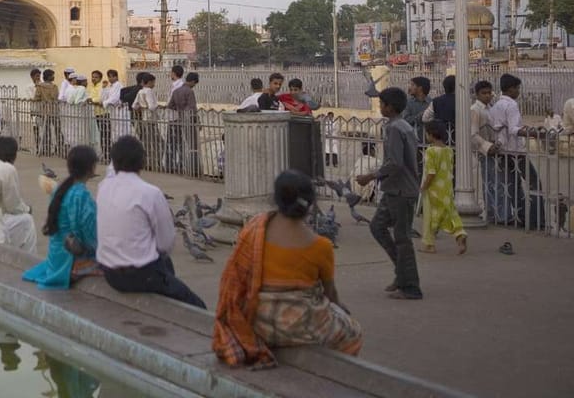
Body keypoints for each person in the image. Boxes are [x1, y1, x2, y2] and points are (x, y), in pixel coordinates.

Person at [213, 170, 363, 368]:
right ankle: (332, 376)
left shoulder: (254, 230)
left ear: (276, 199)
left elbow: (236, 280)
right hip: (301, 327)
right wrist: (341, 309)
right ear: (310, 205)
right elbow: (330, 295)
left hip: (258, 322)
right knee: (353, 332)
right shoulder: (321, 246)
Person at [96, 135, 206, 308]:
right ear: (142, 162)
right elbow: (166, 243)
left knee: (164, 266)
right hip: (139, 275)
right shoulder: (150, 193)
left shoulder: (103, 187)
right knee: (197, 306)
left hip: (109, 271)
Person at [355, 87, 422, 300]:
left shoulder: (395, 129)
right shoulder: (402, 126)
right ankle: (401, 273)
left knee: (402, 238)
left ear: (389, 107)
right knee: (377, 226)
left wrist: (371, 176)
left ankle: (410, 285)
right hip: (395, 188)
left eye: (382, 104)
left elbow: (395, 163)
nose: (380, 107)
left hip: (400, 189)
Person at [24, 145, 100, 289]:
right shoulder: (81, 196)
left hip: (55, 260)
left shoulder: (60, 189)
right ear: (91, 168)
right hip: (69, 264)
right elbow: (90, 238)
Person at [488, 73, 545, 229]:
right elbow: (514, 129)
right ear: (510, 89)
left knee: (512, 185)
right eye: (517, 88)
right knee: (534, 184)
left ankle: (519, 217)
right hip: (516, 151)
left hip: (503, 151)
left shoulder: (495, 106)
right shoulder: (511, 105)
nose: (518, 92)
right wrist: (533, 133)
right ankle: (536, 220)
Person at [419, 120, 467, 254]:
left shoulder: (430, 151)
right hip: (447, 188)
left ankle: (429, 245)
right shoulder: (448, 151)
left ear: (431, 134)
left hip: (433, 190)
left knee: (429, 216)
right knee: (450, 213)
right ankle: (459, 234)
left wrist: (424, 187)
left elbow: (431, 173)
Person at [470, 79, 508, 223]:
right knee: (491, 184)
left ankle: (500, 214)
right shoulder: (475, 110)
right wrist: (487, 146)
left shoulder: (491, 108)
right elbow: (473, 134)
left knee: (499, 183)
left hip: (496, 149)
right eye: (483, 93)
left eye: (489, 93)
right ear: (477, 94)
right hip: (485, 151)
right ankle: (494, 215)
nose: (487, 95)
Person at [168, 72, 200, 174]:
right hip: (189, 120)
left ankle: (183, 165)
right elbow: (193, 108)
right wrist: (197, 121)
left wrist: (179, 109)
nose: (194, 86)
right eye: (194, 84)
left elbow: (170, 105)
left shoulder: (176, 91)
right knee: (193, 145)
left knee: (183, 143)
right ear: (193, 81)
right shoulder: (189, 92)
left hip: (180, 118)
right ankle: (193, 168)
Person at [33, 69, 60, 156]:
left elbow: (36, 98)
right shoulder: (54, 87)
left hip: (44, 111)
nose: (54, 77)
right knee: (57, 130)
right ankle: (59, 148)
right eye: (52, 75)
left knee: (46, 131)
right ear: (49, 77)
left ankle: (47, 149)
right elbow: (55, 97)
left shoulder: (39, 87)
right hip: (54, 110)